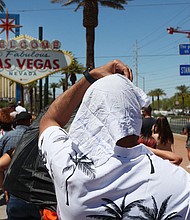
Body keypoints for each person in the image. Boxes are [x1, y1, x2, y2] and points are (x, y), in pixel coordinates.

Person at [39, 60, 190, 220]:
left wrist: (90, 76)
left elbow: (49, 119)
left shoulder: (67, 165)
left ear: (88, 113)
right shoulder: (182, 184)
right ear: (135, 116)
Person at [0, 111, 41, 220]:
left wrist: (4, 188)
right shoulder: (44, 145)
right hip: (39, 198)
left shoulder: (9, 139)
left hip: (16, 193)